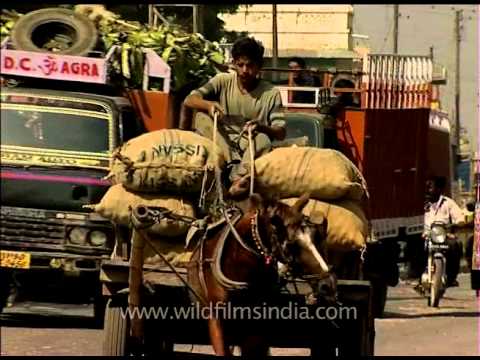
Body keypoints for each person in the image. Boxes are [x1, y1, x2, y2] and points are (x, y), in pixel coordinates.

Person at [183, 37, 286, 183]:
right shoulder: (222, 81)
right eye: (241, 65)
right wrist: (209, 105)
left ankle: (239, 178)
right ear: (234, 64)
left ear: (259, 66)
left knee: (263, 140)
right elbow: (189, 100)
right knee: (201, 117)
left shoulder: (271, 93)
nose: (245, 71)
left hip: (249, 143)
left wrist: (262, 127)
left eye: (250, 66)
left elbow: (280, 132)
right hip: (221, 141)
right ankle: (231, 164)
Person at [418, 176, 465, 289]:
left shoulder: (448, 203)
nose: (427, 190)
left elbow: (459, 217)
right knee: (415, 247)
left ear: (439, 189)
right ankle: (419, 276)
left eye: (430, 187)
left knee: (456, 245)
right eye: (427, 187)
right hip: (427, 236)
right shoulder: (423, 204)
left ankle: (451, 277)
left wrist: (458, 223)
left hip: (444, 236)